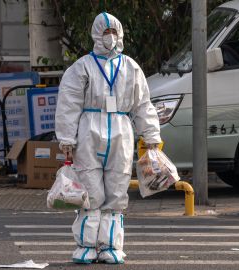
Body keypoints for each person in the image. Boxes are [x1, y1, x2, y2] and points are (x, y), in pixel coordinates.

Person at [55, 12, 161, 264]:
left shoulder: (130, 67)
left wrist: (151, 135)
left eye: (113, 32)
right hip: (89, 130)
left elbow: (143, 104)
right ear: (96, 34)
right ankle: (86, 246)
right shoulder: (82, 67)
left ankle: (111, 245)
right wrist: (67, 140)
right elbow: (68, 103)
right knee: (90, 190)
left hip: (121, 129)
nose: (110, 37)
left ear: (120, 34)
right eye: (105, 32)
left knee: (117, 189)